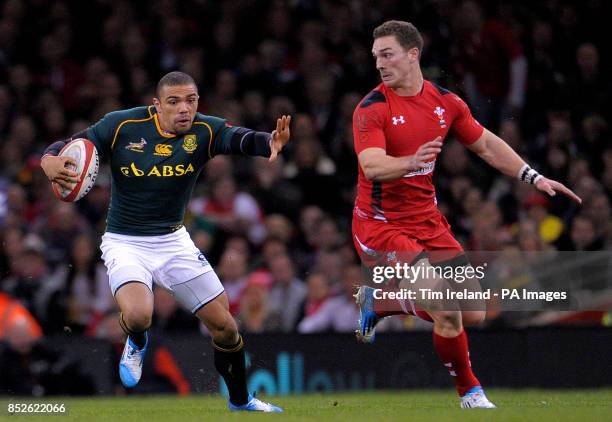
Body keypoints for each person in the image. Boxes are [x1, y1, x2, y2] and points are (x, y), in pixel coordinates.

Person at [352, 21, 581, 409]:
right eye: (376, 57)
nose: (379, 64)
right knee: (445, 309)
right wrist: (409, 161)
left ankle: (380, 302)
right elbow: (372, 166)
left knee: (473, 312)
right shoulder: (371, 108)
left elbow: (487, 145)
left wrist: (534, 176)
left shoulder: (446, 103)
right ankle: (471, 393)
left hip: (428, 222)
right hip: (382, 226)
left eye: (387, 54)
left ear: (413, 54)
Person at [40, 71, 289, 412]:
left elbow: (239, 139)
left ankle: (240, 400)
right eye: (174, 102)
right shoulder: (122, 126)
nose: (184, 109)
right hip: (125, 241)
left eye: (191, 100)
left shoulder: (204, 130)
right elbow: (72, 144)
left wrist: (268, 142)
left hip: (174, 243)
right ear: (157, 105)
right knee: (141, 315)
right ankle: (137, 340)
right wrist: (48, 159)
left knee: (226, 328)